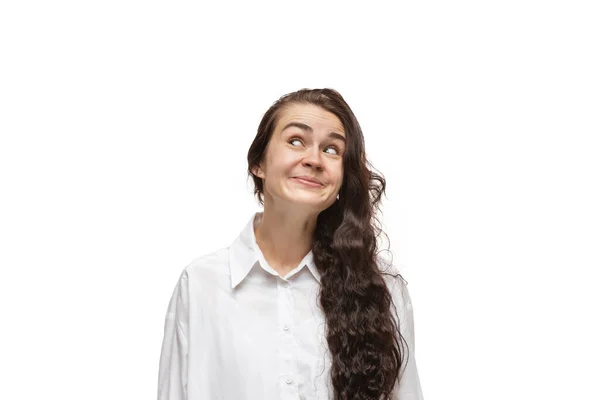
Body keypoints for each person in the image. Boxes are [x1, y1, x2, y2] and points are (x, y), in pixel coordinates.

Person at [157, 88, 424, 399]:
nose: (314, 159)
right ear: (258, 163)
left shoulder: (382, 289)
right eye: (296, 141)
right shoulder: (202, 284)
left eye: (332, 149)